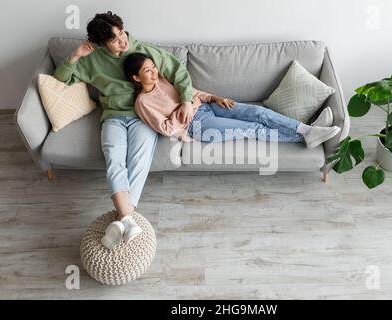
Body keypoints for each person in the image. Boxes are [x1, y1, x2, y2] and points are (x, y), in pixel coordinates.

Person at [53, 11, 196, 250]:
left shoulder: (144, 51)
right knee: (114, 159)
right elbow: (61, 79)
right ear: (101, 43)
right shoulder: (92, 60)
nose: (123, 41)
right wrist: (76, 55)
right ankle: (126, 220)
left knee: (138, 161)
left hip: (144, 117)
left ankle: (122, 220)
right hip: (113, 118)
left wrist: (188, 100)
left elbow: (178, 72)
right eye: (114, 39)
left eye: (122, 33)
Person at [123, 52, 341, 147]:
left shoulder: (163, 80)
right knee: (253, 128)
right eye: (147, 71)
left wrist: (215, 97)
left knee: (259, 113)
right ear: (136, 77)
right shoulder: (143, 103)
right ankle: (304, 137)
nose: (153, 72)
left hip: (208, 107)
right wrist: (182, 112)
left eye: (153, 67)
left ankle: (307, 130)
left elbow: (190, 91)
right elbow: (164, 128)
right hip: (198, 125)